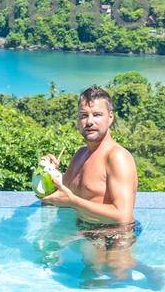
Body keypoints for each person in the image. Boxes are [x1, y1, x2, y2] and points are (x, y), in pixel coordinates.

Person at [38, 86, 143, 277]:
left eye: (97, 114)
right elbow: (56, 198)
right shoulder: (80, 155)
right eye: (84, 115)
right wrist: (48, 173)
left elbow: (123, 216)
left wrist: (73, 201)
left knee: (109, 280)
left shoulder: (117, 157)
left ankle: (146, 271)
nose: (89, 122)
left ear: (110, 117)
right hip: (84, 230)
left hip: (113, 235)